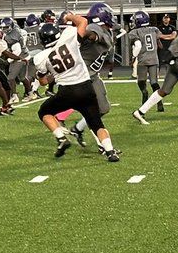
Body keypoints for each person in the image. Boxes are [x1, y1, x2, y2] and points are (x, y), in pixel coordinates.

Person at [32, 14, 120, 162]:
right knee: (97, 123)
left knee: (44, 112)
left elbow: (43, 82)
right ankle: (111, 152)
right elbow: (83, 21)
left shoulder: (40, 57)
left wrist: (41, 76)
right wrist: (69, 16)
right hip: (86, 88)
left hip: (66, 92)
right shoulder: (69, 36)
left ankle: (61, 138)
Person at [129, 11, 162, 108]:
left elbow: (138, 45)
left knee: (141, 81)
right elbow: (160, 45)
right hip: (154, 59)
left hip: (143, 60)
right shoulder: (154, 29)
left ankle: (144, 93)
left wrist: (134, 57)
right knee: (154, 82)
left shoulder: (134, 32)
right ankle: (159, 104)